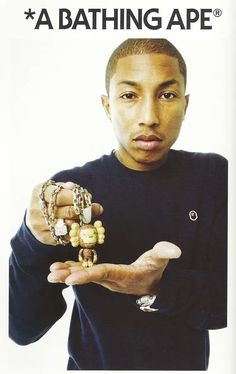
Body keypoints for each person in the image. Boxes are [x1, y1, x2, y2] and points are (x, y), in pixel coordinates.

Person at [9, 38, 227, 370]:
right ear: (107, 105)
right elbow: (23, 330)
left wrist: (158, 285)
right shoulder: (69, 192)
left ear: (185, 105)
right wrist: (31, 239)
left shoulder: (214, 176)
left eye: (166, 95)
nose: (149, 117)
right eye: (129, 95)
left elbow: (223, 307)